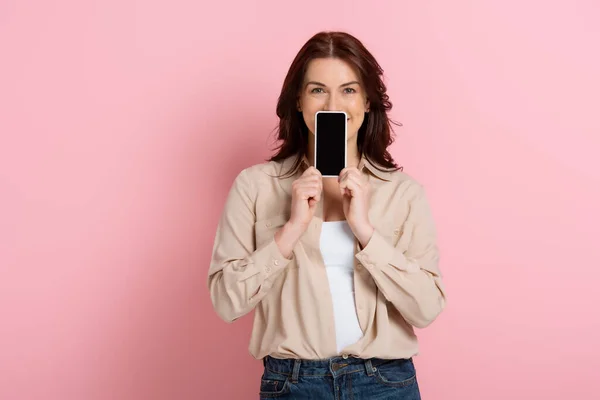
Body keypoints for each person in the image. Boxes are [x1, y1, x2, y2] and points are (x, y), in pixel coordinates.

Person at [208, 31, 446, 399]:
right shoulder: (255, 186)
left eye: (348, 90)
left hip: (385, 382)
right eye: (318, 89)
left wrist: (366, 231)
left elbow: (426, 309)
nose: (333, 104)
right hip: (294, 382)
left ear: (367, 102)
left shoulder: (403, 193)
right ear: (299, 100)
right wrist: (290, 231)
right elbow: (226, 302)